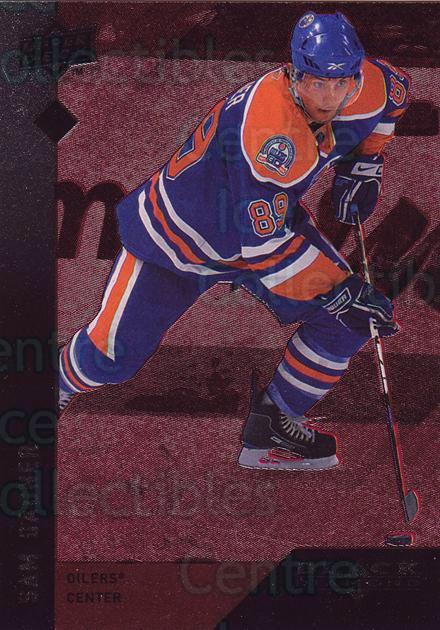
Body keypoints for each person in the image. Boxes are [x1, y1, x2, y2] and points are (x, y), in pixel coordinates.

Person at [59, 11, 410, 471]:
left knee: (346, 324)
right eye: (317, 83)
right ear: (294, 74)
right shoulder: (272, 133)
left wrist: (367, 162)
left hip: (266, 226)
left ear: (355, 75)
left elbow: (396, 95)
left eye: (340, 83)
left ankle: (271, 428)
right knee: (111, 358)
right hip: (180, 239)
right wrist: (340, 291)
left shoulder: (370, 84)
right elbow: (267, 252)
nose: (329, 97)